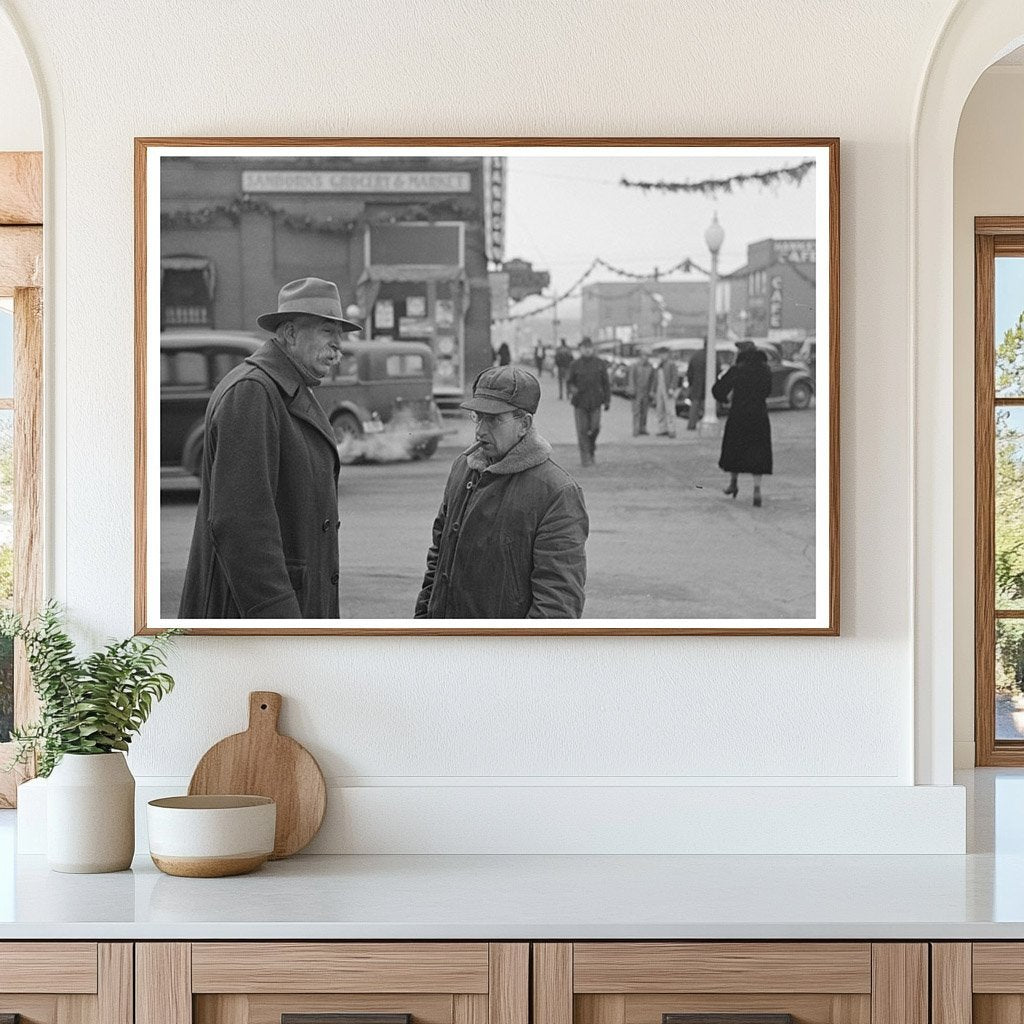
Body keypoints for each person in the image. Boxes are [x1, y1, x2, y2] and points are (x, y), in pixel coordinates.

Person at [179, 277, 361, 618]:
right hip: (250, 617)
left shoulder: (284, 388)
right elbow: (241, 525)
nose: (339, 345)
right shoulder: (253, 392)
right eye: (327, 331)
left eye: (341, 334)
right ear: (290, 334)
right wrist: (280, 621)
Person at [415, 366, 588, 618]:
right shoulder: (463, 468)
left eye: (494, 419)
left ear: (524, 424)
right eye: (478, 416)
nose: (480, 430)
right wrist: (421, 625)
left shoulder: (557, 492)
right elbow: (437, 562)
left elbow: (557, 603)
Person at [712, 342, 773, 507]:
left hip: (739, 414)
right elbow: (768, 391)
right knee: (758, 452)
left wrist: (726, 399)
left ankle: (733, 483)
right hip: (759, 415)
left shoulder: (737, 369)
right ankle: (757, 489)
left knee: (735, 449)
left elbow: (718, 390)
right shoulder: (765, 370)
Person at [565, 336, 611, 467]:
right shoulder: (575, 365)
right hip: (580, 402)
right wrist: (572, 389)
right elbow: (569, 382)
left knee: (595, 427)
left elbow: (606, 384)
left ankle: (591, 448)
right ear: (580, 349)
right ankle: (585, 457)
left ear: (593, 349)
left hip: (596, 401)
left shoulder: (600, 364)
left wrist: (607, 401)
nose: (587, 350)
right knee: (582, 430)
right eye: (584, 348)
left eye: (589, 348)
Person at [627, 349, 655, 436]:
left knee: (644, 411)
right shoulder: (635, 366)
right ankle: (636, 429)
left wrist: (652, 391)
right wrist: (632, 389)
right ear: (640, 356)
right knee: (636, 411)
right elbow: (631, 378)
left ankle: (643, 428)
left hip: (646, 391)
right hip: (637, 391)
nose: (645, 358)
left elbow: (652, 380)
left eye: (647, 356)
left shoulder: (650, 367)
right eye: (644, 355)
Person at [652, 346, 679, 438]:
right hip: (660, 389)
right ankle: (662, 428)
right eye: (661, 354)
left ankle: (671, 429)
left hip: (667, 390)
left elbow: (675, 377)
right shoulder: (659, 365)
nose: (662, 356)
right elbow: (656, 379)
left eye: (664, 354)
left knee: (670, 410)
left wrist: (672, 388)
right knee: (660, 409)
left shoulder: (671, 364)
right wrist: (654, 390)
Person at [685, 345, 707, 431]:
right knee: (707, 406)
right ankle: (705, 424)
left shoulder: (696, 355)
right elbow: (718, 369)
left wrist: (691, 383)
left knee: (695, 405)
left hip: (696, 384)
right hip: (707, 385)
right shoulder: (713, 355)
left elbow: (690, 371)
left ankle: (692, 424)